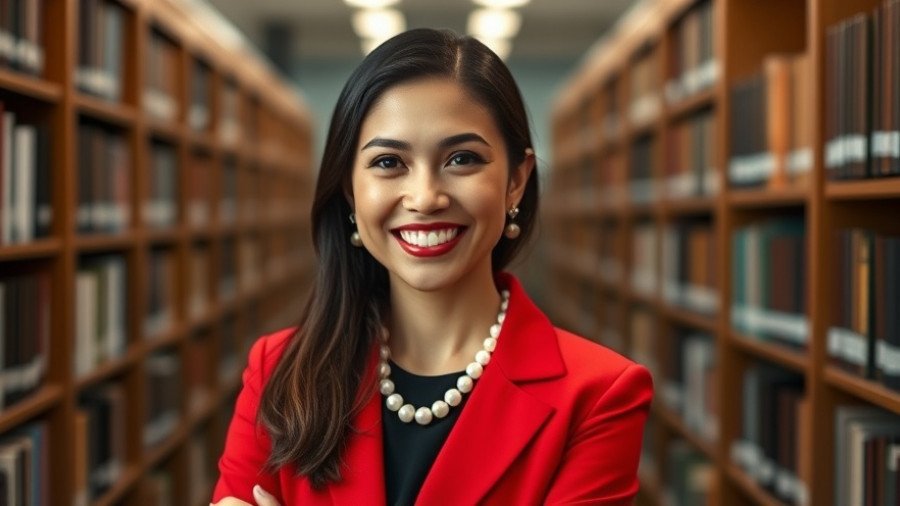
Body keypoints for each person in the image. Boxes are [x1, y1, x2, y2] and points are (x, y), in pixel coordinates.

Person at [211, 28, 653, 506]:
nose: (425, 198)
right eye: (388, 162)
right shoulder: (278, 372)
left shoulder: (599, 395)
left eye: (462, 159)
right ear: (349, 190)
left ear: (516, 182)